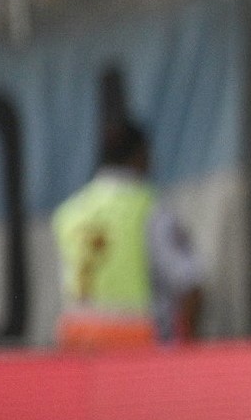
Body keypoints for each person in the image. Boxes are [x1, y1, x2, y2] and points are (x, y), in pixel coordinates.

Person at [53, 119, 204, 351]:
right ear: (141, 155)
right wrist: (189, 347)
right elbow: (189, 283)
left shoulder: (70, 212)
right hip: (137, 347)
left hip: (78, 345)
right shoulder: (150, 209)